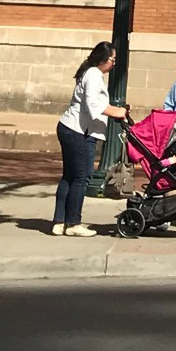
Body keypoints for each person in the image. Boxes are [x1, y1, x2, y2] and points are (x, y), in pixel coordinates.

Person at [52, 40, 130, 237]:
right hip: (78, 132)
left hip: (70, 128)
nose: (113, 63)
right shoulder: (94, 75)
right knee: (82, 176)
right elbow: (94, 105)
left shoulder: (89, 73)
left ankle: (59, 221)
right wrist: (119, 111)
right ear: (102, 59)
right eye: (112, 59)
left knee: (69, 176)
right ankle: (73, 223)